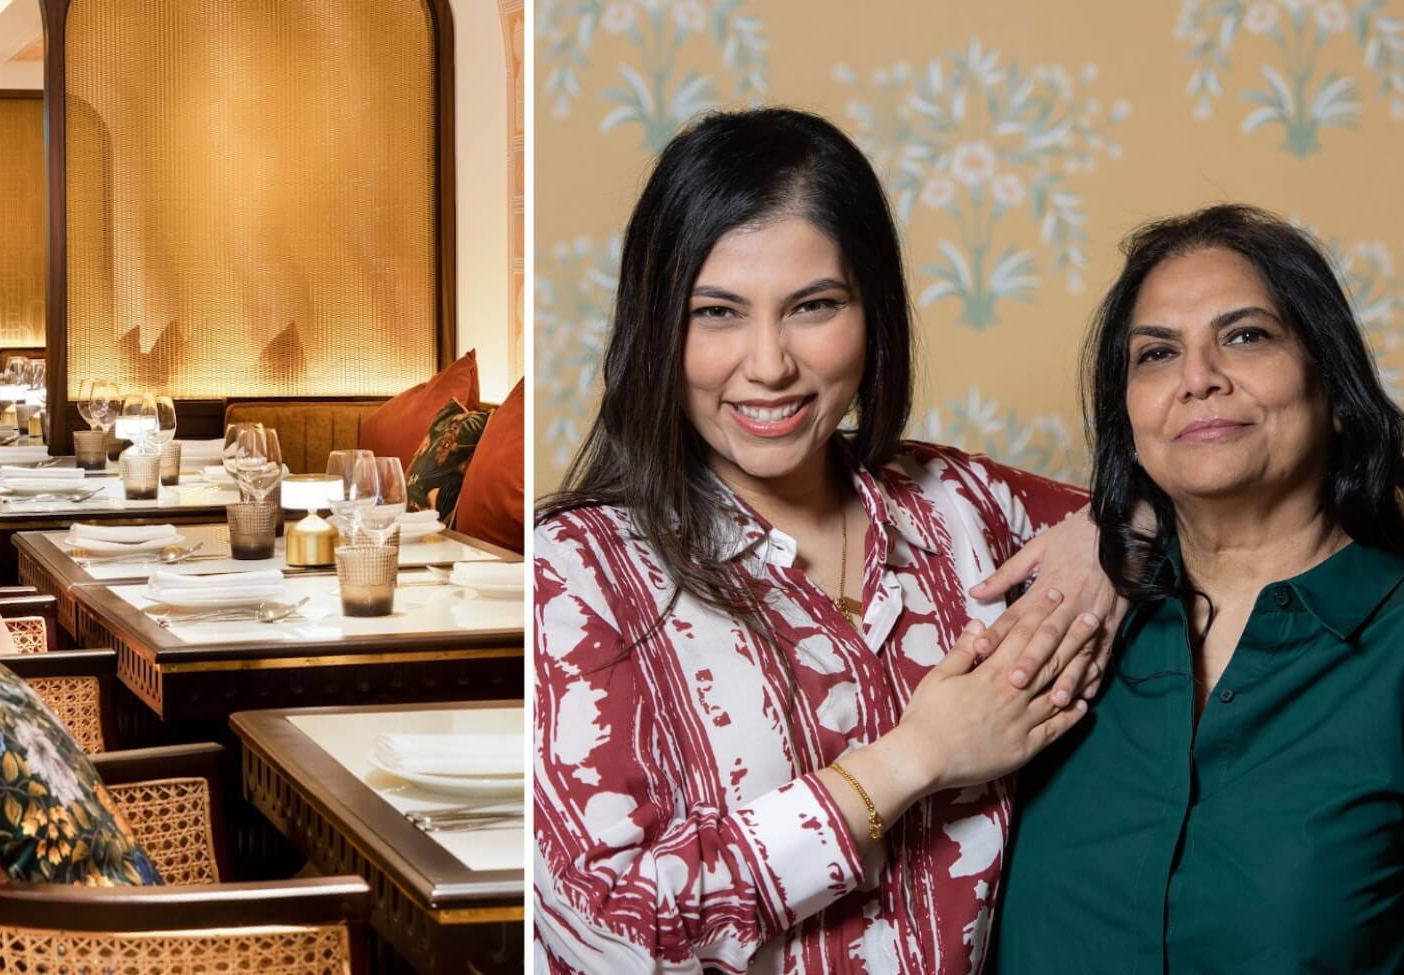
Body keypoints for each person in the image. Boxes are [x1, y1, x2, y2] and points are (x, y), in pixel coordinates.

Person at [533, 107, 1125, 973]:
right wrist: (915, 758)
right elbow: (608, 929)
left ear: (872, 314)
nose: (769, 363)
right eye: (718, 312)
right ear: (656, 328)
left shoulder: (961, 505)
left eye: (814, 306)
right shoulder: (579, 570)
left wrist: (1111, 531)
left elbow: (1203, 499)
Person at [994, 204, 1404, 973]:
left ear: (1336, 387)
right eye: (1155, 354)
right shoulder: (1053, 630)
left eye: (1246, 336)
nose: (1198, 379)